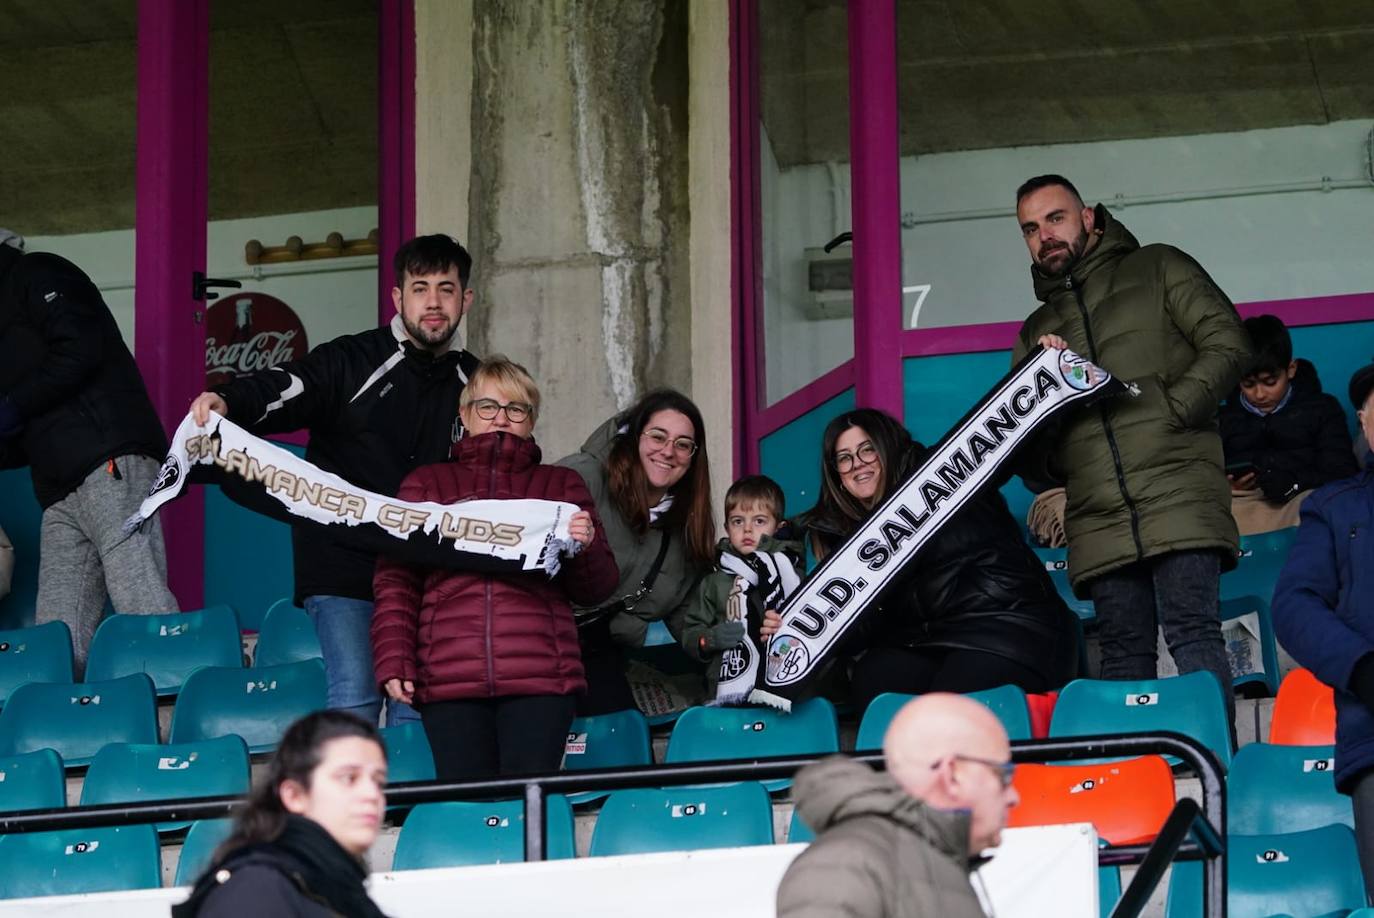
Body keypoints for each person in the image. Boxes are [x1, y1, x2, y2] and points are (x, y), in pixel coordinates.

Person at [190, 234, 480, 727]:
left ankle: (413, 807)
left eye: (447, 289)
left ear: (465, 299)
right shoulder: (350, 358)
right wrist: (229, 403)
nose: (433, 302)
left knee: (418, 707)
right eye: (420, 288)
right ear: (397, 298)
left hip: (426, 570)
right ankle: (351, 806)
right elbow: (287, 386)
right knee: (356, 697)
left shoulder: (476, 382)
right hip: (342, 563)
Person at [1010, 174, 1248, 729]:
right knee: (1121, 652)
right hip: (1097, 512)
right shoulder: (1035, 332)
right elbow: (1028, 455)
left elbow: (1229, 341)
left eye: (1056, 218)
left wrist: (1170, 409)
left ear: (1089, 217)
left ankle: (1220, 772)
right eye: (1030, 228)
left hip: (1178, 485)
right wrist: (1046, 385)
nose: (1044, 235)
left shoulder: (1158, 265)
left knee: (1193, 632)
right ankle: (1128, 788)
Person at [370, 357, 619, 779]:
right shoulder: (426, 485)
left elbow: (596, 589)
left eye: (515, 409)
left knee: (529, 809)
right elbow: (397, 581)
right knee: (466, 810)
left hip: (541, 677)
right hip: (449, 677)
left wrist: (587, 546)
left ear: (531, 419)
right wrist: (393, 661)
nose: (501, 419)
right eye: (488, 407)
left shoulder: (561, 486)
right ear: (465, 415)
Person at [791, 408, 1077, 708]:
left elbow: (1014, 434)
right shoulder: (851, 536)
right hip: (926, 641)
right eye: (844, 458)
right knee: (874, 679)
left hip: (1005, 625)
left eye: (868, 450)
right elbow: (859, 624)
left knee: (946, 710)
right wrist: (794, 629)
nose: (857, 464)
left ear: (889, 449)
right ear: (837, 475)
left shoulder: (947, 474)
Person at [0, 229, 176, 671]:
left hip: (108, 458)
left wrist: (12, 406)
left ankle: (171, 729)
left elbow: (80, 350)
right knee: (56, 634)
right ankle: (54, 735)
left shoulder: (36, 271)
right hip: (59, 489)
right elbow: (27, 426)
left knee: (140, 599)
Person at [1272, 361, 1374, 897]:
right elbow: (1293, 605)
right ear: (1364, 422)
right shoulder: (1333, 509)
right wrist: (1362, 668)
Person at [777, 693, 1019, 917]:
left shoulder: (934, 862)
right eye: (1003, 776)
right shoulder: (843, 865)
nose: (1013, 796)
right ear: (953, 774)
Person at [557, 389, 716, 715]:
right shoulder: (582, 477)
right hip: (537, 638)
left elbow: (693, 619)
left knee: (619, 735)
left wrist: (723, 638)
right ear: (634, 438)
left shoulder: (685, 532)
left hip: (598, 651)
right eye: (658, 437)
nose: (668, 451)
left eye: (683, 445)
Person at [173, 710, 389, 918]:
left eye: (378, 782)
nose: (372, 794)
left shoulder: (332, 886)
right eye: (348, 778)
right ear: (294, 795)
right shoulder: (256, 890)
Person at [680, 474, 803, 694]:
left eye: (759, 521)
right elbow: (690, 633)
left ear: (778, 527)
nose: (747, 529)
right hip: (725, 686)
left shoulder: (791, 574)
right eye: (738, 521)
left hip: (784, 684)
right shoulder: (713, 582)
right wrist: (708, 639)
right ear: (727, 527)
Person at [1220, 314, 1356, 503]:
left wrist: (1295, 483)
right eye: (1248, 384)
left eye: (1270, 382)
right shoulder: (1223, 419)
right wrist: (1225, 486)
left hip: (1306, 501)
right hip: (1240, 504)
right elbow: (1198, 475)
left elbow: (1343, 472)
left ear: (1291, 369)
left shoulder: (1322, 410)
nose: (1259, 394)